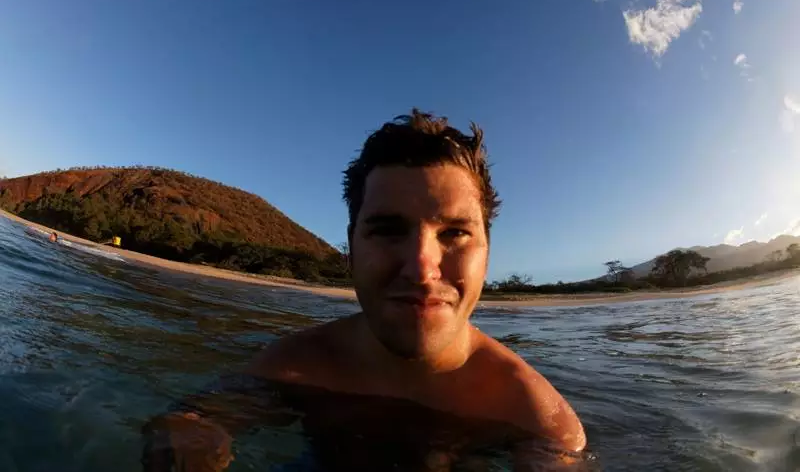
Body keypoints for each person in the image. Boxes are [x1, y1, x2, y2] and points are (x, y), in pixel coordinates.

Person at [141, 110, 587, 471]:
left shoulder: (535, 417)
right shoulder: (300, 364)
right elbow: (195, 419)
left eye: (454, 233)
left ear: (487, 255)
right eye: (388, 230)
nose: (421, 268)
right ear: (351, 251)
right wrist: (188, 437)